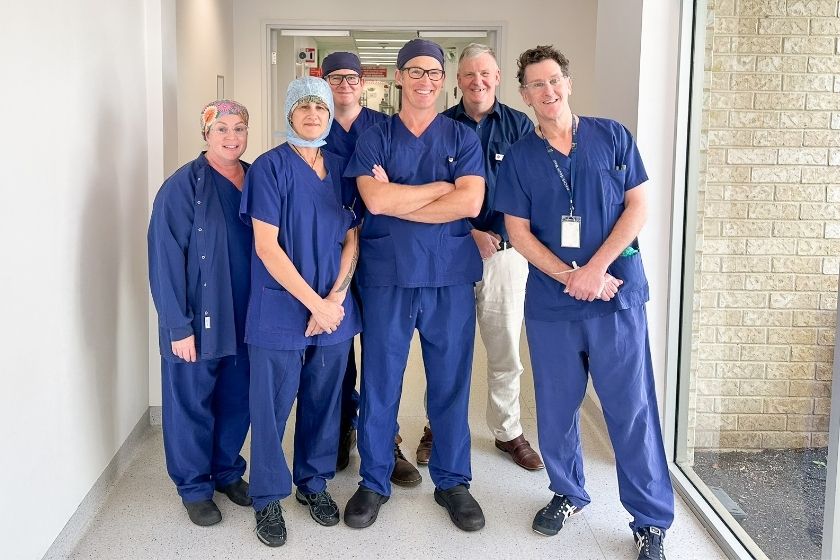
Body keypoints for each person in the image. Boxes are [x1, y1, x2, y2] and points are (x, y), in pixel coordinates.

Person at [494, 45, 674, 560]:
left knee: (631, 410)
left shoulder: (613, 135)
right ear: (524, 95)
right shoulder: (520, 156)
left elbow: (638, 205)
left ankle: (650, 520)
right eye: (535, 85)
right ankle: (568, 492)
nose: (547, 92)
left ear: (567, 84)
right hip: (554, 303)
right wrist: (570, 276)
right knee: (554, 408)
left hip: (616, 297)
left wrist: (596, 271)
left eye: (554, 81)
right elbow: (518, 232)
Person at [342, 38, 486, 532]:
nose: (425, 80)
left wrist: (403, 197)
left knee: (450, 382)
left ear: (443, 82)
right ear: (399, 77)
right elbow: (375, 203)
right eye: (416, 71)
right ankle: (375, 479)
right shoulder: (375, 136)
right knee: (381, 381)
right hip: (388, 278)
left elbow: (470, 205)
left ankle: (452, 481)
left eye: (434, 73)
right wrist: (439, 189)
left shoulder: (463, 139)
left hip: (448, 278)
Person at [240, 77, 361, 547]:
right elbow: (267, 247)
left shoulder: (340, 169)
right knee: (270, 408)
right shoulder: (269, 169)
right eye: (303, 106)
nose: (312, 114)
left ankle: (314, 484)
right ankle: (268, 496)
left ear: (331, 114)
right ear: (289, 113)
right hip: (280, 308)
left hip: (333, 309)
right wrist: (315, 304)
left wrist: (334, 300)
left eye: (320, 107)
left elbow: (351, 239)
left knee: (324, 401)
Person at [415, 43, 542, 472]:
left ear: (498, 76)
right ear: (458, 81)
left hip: (505, 253)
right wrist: (469, 233)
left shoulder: (521, 126)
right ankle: (438, 426)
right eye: (469, 75)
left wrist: (499, 235)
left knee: (504, 346)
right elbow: (431, 192)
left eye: (485, 73)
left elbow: (531, 192)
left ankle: (508, 431)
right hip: (451, 250)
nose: (477, 81)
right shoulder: (439, 126)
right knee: (445, 347)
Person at [148, 100, 253, 526]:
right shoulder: (181, 187)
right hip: (198, 320)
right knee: (191, 402)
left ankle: (227, 471)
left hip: (248, 316)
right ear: (205, 134)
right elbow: (165, 259)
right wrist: (177, 326)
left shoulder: (257, 178)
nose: (232, 137)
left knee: (237, 398)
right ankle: (194, 486)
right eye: (222, 129)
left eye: (240, 128)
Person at [321, 51, 421, 487]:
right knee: (336, 353)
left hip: (380, 253)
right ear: (323, 83)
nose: (344, 84)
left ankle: (386, 440)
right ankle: (340, 430)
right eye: (335, 78)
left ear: (364, 83)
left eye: (352, 77)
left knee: (381, 356)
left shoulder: (384, 129)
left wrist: (387, 192)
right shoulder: (313, 128)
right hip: (327, 255)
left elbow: (399, 192)